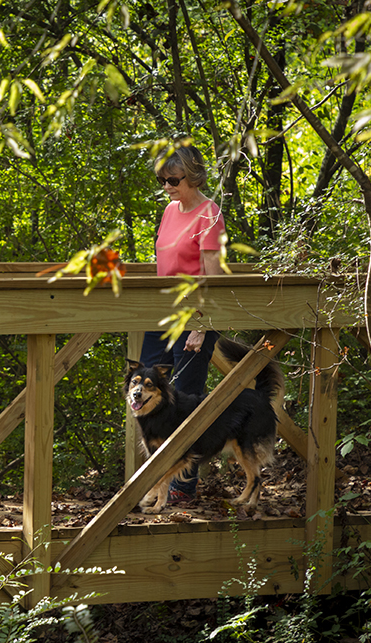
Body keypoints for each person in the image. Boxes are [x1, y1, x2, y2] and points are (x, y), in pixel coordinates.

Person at [139, 144, 226, 503]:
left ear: (192, 175)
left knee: (186, 404)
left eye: (173, 179)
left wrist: (202, 326)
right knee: (144, 396)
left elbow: (215, 277)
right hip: (162, 316)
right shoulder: (169, 210)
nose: (167, 186)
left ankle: (183, 488)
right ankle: (155, 483)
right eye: (161, 180)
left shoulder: (210, 215)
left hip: (195, 320)